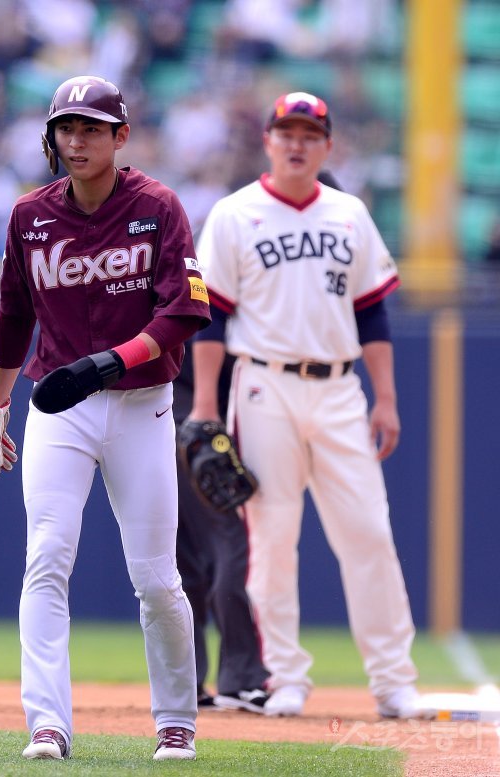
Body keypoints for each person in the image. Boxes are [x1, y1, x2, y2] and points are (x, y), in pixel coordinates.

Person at [0, 75, 211, 761]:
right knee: (47, 555)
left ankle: (176, 718)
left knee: (155, 576)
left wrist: (111, 361)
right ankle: (47, 722)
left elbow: (186, 310)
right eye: (65, 129)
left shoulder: (158, 206)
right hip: (60, 405)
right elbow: (14, 314)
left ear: (120, 136)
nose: (76, 141)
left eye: (91, 128)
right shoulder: (30, 215)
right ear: (50, 137)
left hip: (142, 404)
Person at [188, 91, 421, 719]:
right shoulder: (235, 215)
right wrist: (206, 403)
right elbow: (210, 319)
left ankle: (394, 680)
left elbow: (372, 311)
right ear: (268, 140)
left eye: (309, 134)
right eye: (286, 131)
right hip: (264, 384)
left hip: (342, 389)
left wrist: (387, 398)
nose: (297, 143)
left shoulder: (349, 214)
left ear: (327, 146)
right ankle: (285, 677)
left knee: (369, 532)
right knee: (272, 537)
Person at [174, 348, 270, 713]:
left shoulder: (156, 292)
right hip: (204, 428)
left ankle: (185, 683)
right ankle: (242, 677)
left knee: (184, 566)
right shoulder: (210, 295)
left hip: (157, 423)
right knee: (229, 550)